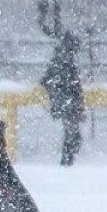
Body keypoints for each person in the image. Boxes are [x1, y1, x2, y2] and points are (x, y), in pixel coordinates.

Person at [39, 30, 85, 166]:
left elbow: (46, 81)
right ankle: (67, 159)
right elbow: (73, 84)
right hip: (68, 101)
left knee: (70, 131)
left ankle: (67, 158)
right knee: (71, 132)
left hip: (64, 101)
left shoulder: (59, 59)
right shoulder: (66, 61)